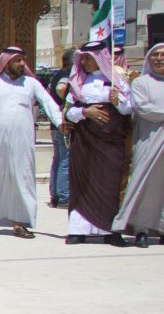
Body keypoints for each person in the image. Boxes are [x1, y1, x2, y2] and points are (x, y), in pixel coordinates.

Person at [0, 46, 62, 240]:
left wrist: (61, 122)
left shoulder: (30, 84)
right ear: (6, 62)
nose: (22, 64)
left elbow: (48, 102)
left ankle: (19, 223)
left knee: (22, 178)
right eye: (17, 60)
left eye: (23, 60)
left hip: (23, 141)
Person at [63, 42, 133, 246]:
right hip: (85, 141)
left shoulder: (116, 81)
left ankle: (111, 230)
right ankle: (78, 230)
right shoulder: (78, 82)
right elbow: (68, 111)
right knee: (82, 182)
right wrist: (86, 112)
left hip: (110, 142)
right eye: (82, 58)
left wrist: (117, 101)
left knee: (109, 183)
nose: (84, 62)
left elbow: (129, 109)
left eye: (88, 58)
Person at [115, 42, 164, 246]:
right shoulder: (140, 83)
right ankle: (140, 229)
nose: (159, 58)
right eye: (155, 55)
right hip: (149, 140)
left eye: (163, 55)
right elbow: (144, 109)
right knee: (143, 183)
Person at [49, 48, 75, 207]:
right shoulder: (66, 75)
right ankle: (64, 196)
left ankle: (55, 194)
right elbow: (60, 88)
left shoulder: (58, 73)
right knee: (65, 159)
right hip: (62, 123)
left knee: (58, 158)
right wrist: (67, 102)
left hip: (55, 123)